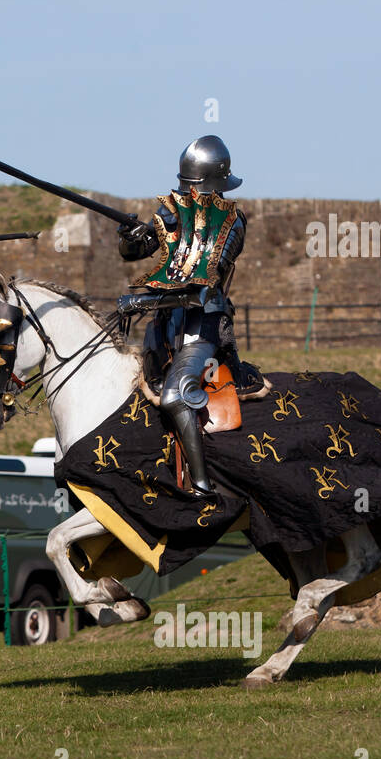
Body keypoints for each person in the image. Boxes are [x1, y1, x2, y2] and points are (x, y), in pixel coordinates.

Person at [115, 136, 258, 497]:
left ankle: (201, 488)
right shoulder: (174, 216)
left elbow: (199, 286)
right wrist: (131, 235)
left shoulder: (231, 225)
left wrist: (142, 303)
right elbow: (135, 253)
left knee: (177, 395)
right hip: (163, 332)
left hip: (203, 328)